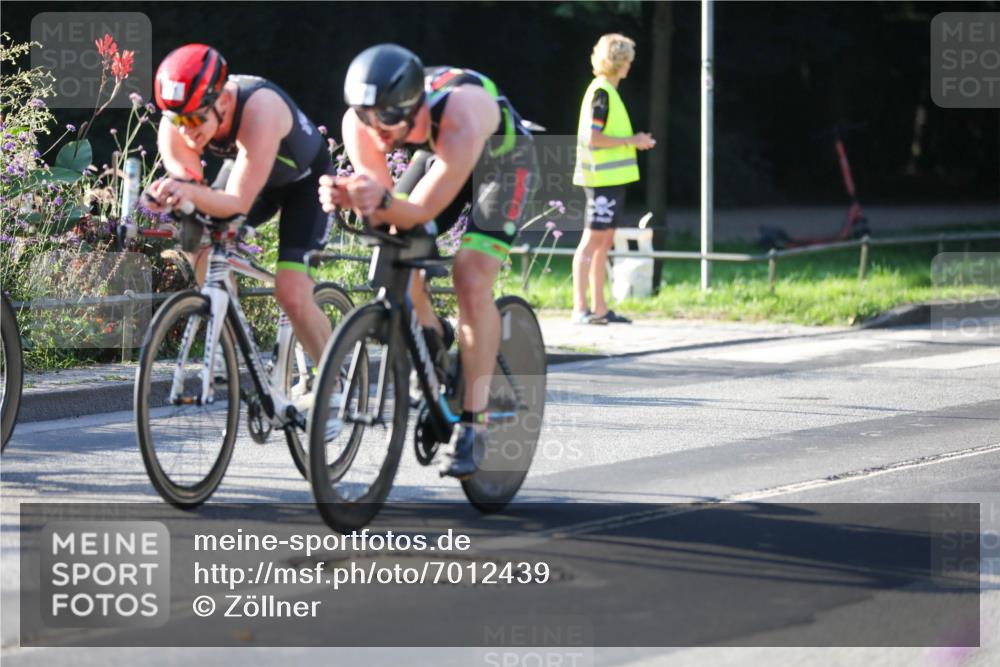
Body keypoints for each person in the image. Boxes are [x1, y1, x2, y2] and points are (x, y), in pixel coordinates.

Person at [318, 44, 537, 479]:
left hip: (502, 163)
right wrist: (350, 197)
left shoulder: (462, 113)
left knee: (470, 277)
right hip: (442, 158)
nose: (379, 133)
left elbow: (417, 210)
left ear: (414, 106)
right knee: (397, 241)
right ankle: (434, 339)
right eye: (369, 119)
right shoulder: (360, 121)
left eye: (390, 121)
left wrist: (379, 201)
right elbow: (387, 212)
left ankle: (474, 424)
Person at [145, 43, 332, 363]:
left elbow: (235, 203)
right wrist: (165, 195)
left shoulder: (261, 109)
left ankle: (335, 385)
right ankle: (230, 349)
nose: (186, 134)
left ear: (224, 101)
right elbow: (192, 189)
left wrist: (188, 193)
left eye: (194, 122)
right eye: (178, 123)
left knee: (291, 294)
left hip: (305, 186)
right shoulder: (178, 119)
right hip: (252, 174)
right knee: (199, 239)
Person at [571, 33, 656, 325]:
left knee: (604, 242)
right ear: (620, 62)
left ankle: (600, 309)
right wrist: (632, 140)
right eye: (628, 60)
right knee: (592, 240)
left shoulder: (607, 91)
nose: (630, 65)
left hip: (611, 180)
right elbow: (594, 138)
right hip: (601, 181)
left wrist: (632, 141)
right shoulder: (603, 94)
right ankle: (580, 308)